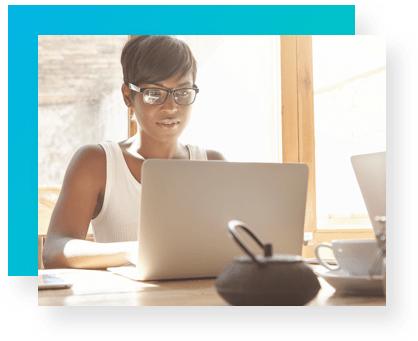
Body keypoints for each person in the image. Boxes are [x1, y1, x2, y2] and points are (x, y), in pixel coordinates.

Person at [42, 35, 227, 269]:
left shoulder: (212, 164)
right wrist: (133, 251)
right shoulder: (96, 162)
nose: (171, 108)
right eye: (154, 93)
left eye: (182, 92)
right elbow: (54, 250)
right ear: (128, 96)